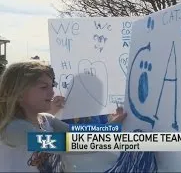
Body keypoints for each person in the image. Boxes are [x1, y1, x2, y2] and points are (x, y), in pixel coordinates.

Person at [0, 61, 128, 172]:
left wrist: (110, 126)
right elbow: (70, 144)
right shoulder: (15, 129)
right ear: (19, 94)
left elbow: (77, 132)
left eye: (52, 86)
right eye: (44, 87)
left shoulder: (46, 119)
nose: (52, 92)